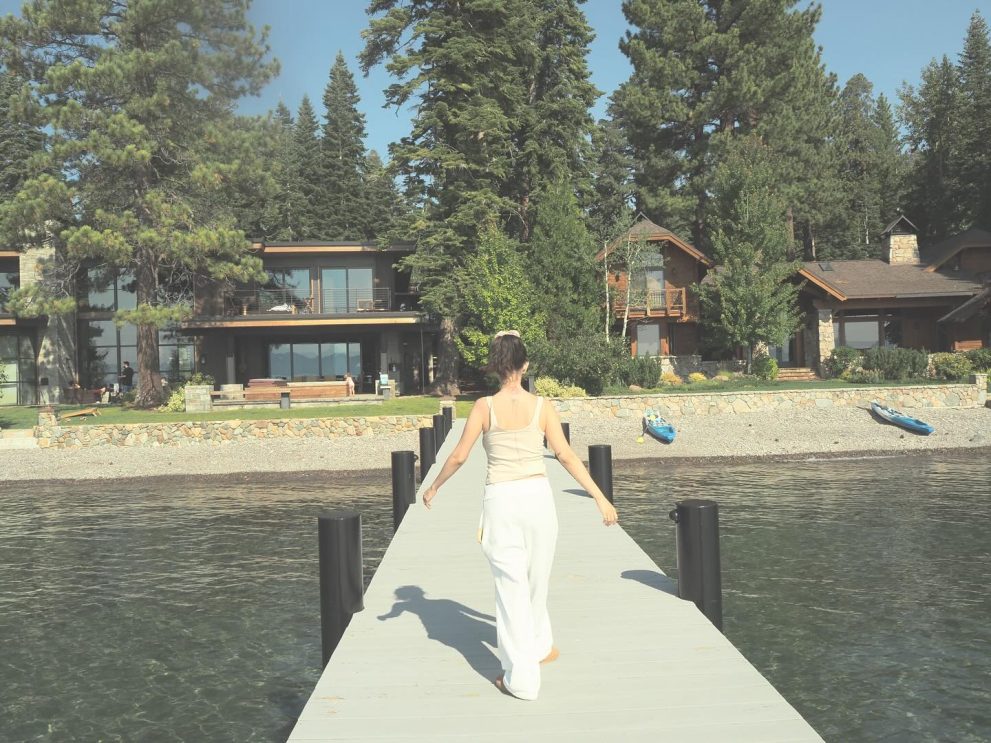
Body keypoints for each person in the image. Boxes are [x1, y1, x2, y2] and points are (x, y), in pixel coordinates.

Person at [422, 330, 618, 701]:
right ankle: (540, 646)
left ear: (495, 367)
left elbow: (459, 456)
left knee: (510, 589)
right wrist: (600, 498)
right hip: (538, 500)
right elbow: (565, 455)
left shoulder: (484, 407)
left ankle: (523, 679)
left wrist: (434, 487)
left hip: (502, 500)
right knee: (536, 580)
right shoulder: (543, 406)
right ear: (525, 365)